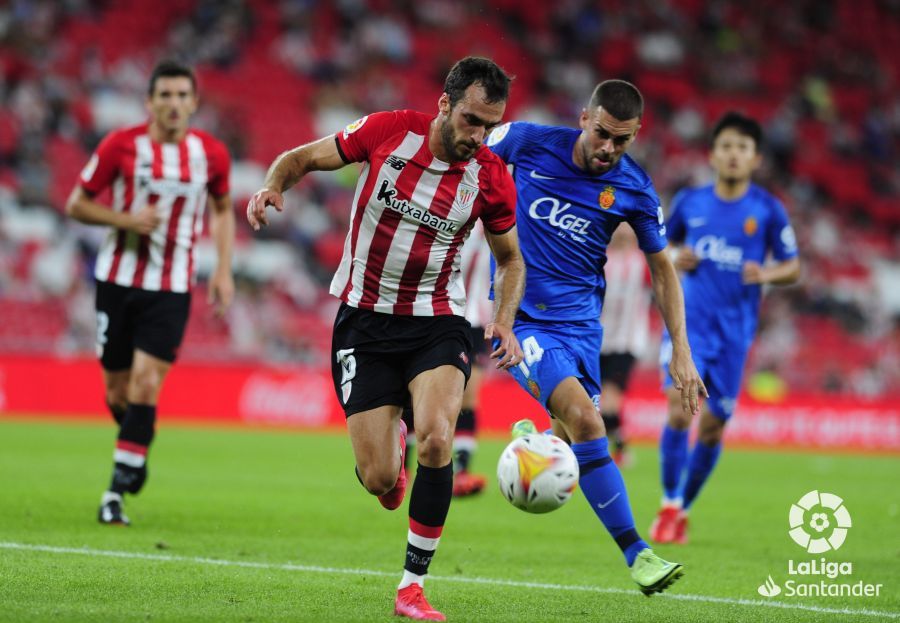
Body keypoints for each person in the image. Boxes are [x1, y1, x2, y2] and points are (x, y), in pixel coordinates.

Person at [246, 57, 525, 622]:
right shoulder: (387, 131)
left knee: (438, 439)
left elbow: (511, 260)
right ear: (445, 104)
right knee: (378, 479)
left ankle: (411, 587)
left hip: (437, 321)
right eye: (471, 120)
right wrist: (273, 185)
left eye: (489, 126)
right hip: (364, 323)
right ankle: (391, 449)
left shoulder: (491, 176)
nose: (478, 136)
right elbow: (301, 158)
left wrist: (504, 318)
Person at [486, 79, 706, 595]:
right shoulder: (528, 141)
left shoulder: (635, 188)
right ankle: (639, 555)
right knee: (589, 422)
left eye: (621, 140)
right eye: (602, 133)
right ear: (584, 118)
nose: (608, 147)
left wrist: (681, 350)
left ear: (636, 134)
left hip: (583, 328)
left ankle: (534, 441)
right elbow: (465, 155)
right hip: (523, 318)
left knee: (568, 434)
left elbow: (663, 271)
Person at [65, 60, 235, 526]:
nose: (174, 104)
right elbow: (76, 204)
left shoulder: (212, 154)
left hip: (172, 287)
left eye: (182, 95)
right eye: (165, 95)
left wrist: (223, 270)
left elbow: (222, 209)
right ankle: (138, 438)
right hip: (117, 282)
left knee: (145, 383)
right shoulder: (120, 145)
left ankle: (115, 491)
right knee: (118, 393)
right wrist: (125, 220)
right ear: (149, 101)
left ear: (194, 102)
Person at [650, 112, 800, 544]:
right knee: (679, 409)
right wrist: (675, 255)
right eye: (727, 146)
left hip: (736, 333)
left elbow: (792, 266)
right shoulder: (690, 202)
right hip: (689, 326)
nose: (734, 154)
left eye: (743, 148)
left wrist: (766, 273)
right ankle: (668, 504)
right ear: (713, 154)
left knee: (713, 427)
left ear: (755, 159)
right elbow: (660, 245)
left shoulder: (767, 209)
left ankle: (684, 508)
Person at [402, 219, 493, 497]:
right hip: (437, 314)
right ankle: (403, 467)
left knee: (468, 396)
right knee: (416, 393)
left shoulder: (497, 221)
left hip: (476, 321)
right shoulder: (449, 214)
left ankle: (462, 470)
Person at [599, 224, 653, 465]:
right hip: (599, 340)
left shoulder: (644, 262)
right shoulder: (601, 258)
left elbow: (663, 285)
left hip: (628, 342)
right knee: (601, 400)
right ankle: (619, 445)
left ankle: (612, 450)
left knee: (610, 397)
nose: (621, 232)